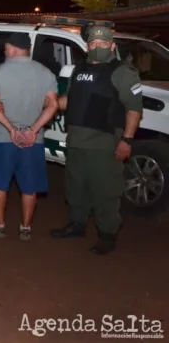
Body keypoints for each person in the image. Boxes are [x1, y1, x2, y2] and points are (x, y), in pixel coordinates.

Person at [50, 25, 143, 255]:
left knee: (105, 192)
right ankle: (76, 225)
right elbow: (69, 101)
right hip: (76, 142)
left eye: (103, 44)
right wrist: (48, 103)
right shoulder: (79, 69)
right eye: (93, 44)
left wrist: (127, 140)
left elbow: (134, 109)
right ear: (88, 46)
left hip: (104, 144)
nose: (97, 47)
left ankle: (107, 234)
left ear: (112, 46)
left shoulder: (122, 72)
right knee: (75, 188)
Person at [0, 32, 58, 240]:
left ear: (13, 49)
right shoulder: (45, 73)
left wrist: (11, 129)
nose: (6, 53)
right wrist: (33, 130)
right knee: (29, 187)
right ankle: (25, 228)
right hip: (33, 140)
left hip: (3, 137)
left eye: (6, 49)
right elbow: (53, 105)